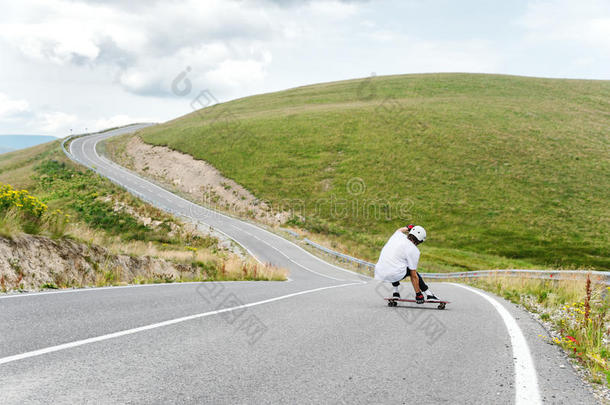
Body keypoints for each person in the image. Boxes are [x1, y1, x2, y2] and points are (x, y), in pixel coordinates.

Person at [374, 225, 439, 303]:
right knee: (408, 269)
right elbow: (414, 275)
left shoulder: (397, 235)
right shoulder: (414, 251)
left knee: (395, 263)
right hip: (393, 274)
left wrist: (408, 227)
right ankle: (429, 294)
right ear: (420, 241)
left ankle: (396, 292)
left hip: (380, 271)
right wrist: (419, 294)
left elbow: (400, 229)